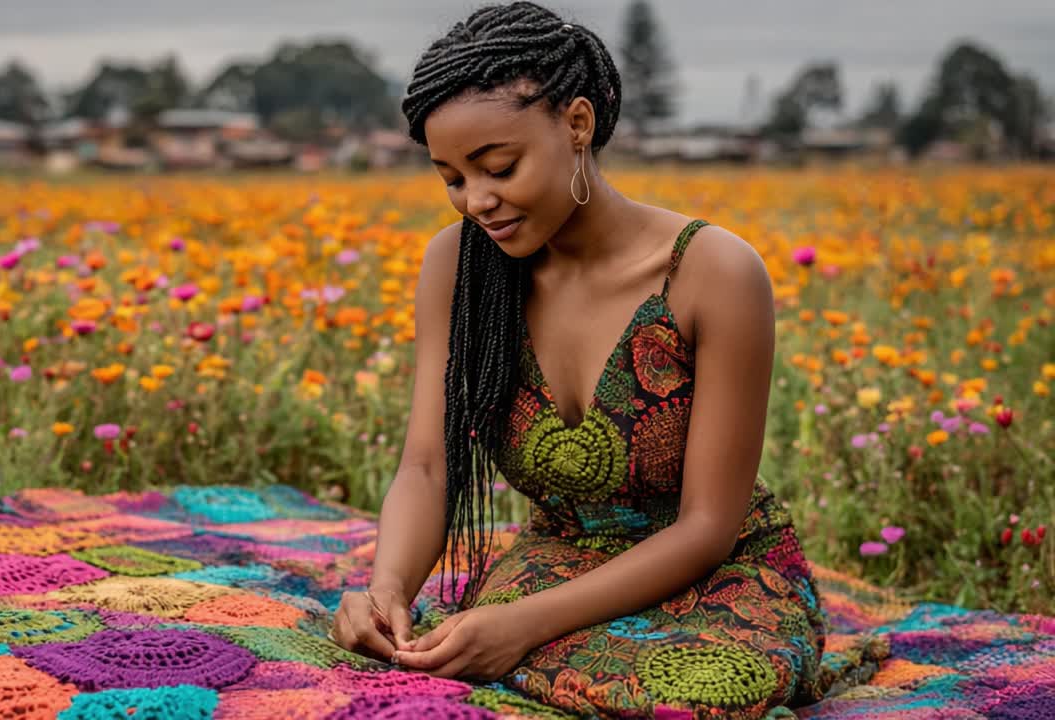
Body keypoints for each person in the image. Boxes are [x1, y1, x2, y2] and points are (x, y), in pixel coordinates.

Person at [330, 3, 842, 717]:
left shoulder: (712, 273)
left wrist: (519, 627)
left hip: (716, 574)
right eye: (450, 178)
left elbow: (705, 527)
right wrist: (387, 590)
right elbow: (427, 465)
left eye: (499, 167)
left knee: (706, 693)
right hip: (556, 560)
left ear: (577, 125)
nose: (476, 201)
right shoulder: (461, 268)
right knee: (442, 659)